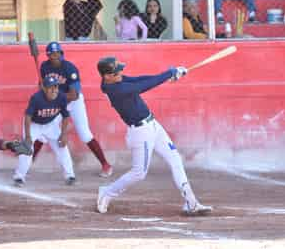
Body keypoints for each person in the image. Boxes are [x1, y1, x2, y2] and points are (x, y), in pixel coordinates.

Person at [95, 57, 212, 216]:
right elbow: (143, 86)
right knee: (139, 173)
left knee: (175, 159)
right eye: (116, 72)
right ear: (106, 76)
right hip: (140, 132)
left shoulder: (116, 81)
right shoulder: (115, 89)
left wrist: (169, 74)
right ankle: (107, 192)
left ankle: (191, 202)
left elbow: (139, 79)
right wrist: (169, 73)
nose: (120, 73)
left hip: (153, 126)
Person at [34, 41, 113, 177]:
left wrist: (53, 97)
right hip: (56, 102)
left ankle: (105, 165)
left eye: (57, 53)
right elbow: (42, 86)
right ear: (48, 56)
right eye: (52, 54)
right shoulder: (44, 67)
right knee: (42, 132)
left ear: (61, 53)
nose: (55, 56)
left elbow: (74, 95)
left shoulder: (70, 68)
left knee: (84, 134)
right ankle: (29, 161)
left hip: (73, 102)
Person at [12, 76, 76, 187]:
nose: (54, 90)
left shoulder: (61, 97)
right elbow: (28, 117)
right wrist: (28, 137)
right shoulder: (36, 98)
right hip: (34, 125)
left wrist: (63, 134)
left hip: (51, 124)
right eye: (50, 87)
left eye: (56, 87)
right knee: (26, 149)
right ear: (44, 89)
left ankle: (70, 176)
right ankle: (19, 177)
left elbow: (65, 116)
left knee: (62, 147)